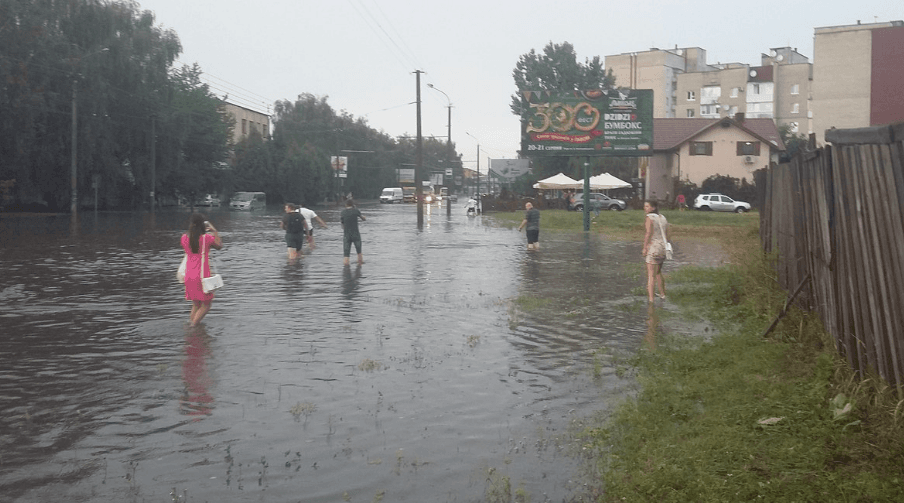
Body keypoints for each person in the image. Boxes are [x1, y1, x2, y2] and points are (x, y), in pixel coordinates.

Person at [181, 213, 223, 326]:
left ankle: (193, 328)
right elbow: (219, 246)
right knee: (207, 304)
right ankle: (193, 327)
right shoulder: (206, 238)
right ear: (203, 225)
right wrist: (214, 231)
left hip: (188, 275)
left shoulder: (184, 237)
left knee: (196, 304)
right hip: (202, 275)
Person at [642, 199, 669, 302]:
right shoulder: (663, 217)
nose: (645, 208)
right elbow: (668, 234)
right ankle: (662, 294)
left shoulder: (649, 218)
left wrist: (645, 247)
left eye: (647, 206)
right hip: (663, 247)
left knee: (651, 276)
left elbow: (648, 233)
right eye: (645, 206)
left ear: (653, 208)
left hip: (654, 247)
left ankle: (651, 300)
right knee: (658, 272)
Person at [340, 198, 366, 265]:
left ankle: (346, 268)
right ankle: (360, 266)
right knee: (359, 252)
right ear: (352, 204)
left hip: (346, 235)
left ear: (346, 204)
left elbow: (342, 224)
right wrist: (364, 217)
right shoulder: (356, 211)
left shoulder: (343, 212)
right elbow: (363, 219)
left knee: (346, 254)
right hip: (356, 234)